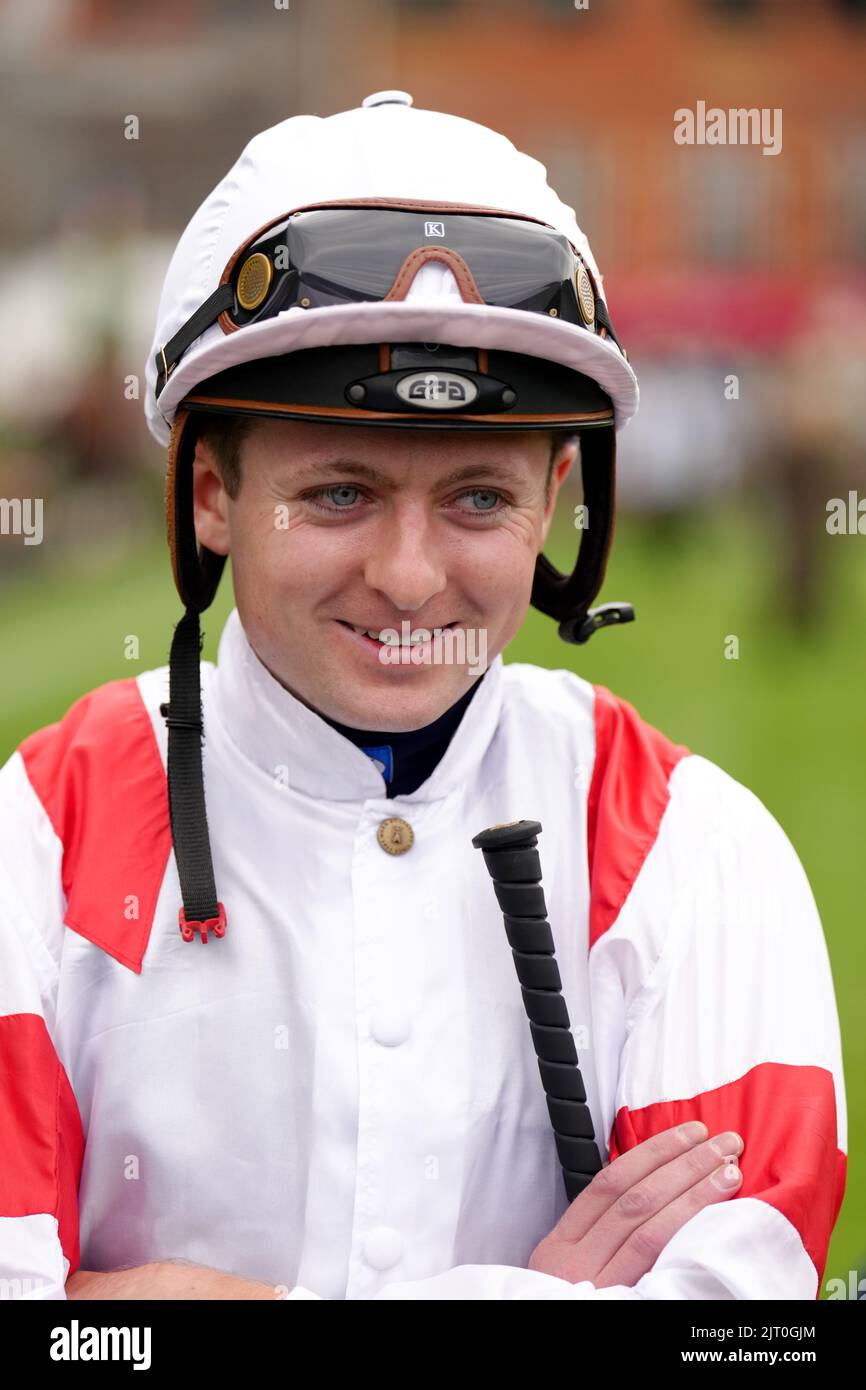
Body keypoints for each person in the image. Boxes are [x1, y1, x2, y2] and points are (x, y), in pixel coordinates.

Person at [0, 92, 846, 1301]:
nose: (407, 578)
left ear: (553, 499)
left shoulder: (693, 848)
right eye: (339, 493)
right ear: (206, 492)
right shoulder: (35, 835)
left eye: (477, 500)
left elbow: (734, 1315)